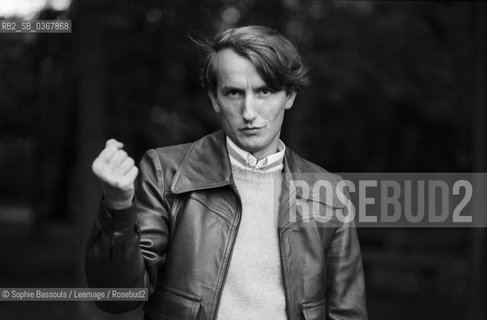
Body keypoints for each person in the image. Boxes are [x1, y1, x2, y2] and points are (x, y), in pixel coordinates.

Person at [85, 25, 367, 320]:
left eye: (264, 91)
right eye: (234, 92)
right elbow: (115, 299)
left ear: (290, 95)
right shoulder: (165, 173)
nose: (248, 111)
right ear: (214, 98)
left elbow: (347, 313)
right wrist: (119, 208)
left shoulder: (330, 194)